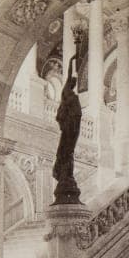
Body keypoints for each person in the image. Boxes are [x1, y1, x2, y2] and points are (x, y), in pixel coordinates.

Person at [52, 54, 83, 203]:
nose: (73, 82)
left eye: (74, 82)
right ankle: (64, 175)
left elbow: (77, 113)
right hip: (68, 127)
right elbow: (69, 75)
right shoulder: (66, 93)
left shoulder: (72, 95)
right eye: (72, 81)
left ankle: (67, 175)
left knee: (68, 151)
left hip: (74, 127)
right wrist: (72, 61)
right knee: (65, 151)